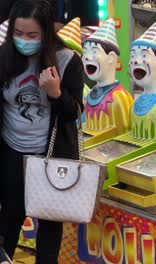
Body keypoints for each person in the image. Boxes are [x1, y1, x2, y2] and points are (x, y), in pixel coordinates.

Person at [0, 0, 84, 263]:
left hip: (49, 157)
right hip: (10, 154)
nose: (24, 40)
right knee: (8, 224)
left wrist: (56, 94)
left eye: (32, 35)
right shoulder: (4, 57)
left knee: (49, 227)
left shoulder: (67, 60)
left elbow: (75, 113)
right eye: (19, 33)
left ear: (46, 33)